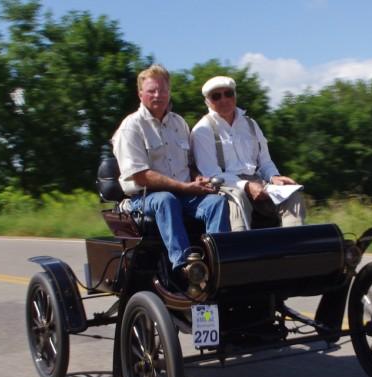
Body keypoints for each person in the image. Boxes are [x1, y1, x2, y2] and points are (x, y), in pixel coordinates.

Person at [111, 64, 230, 284]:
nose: (158, 95)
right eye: (152, 91)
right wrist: (183, 187)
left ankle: (219, 264)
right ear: (141, 94)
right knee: (166, 200)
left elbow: (190, 164)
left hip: (183, 194)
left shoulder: (179, 123)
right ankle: (185, 267)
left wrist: (196, 178)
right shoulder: (131, 127)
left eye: (163, 90)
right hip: (145, 198)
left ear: (169, 92)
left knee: (217, 203)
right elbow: (140, 176)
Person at [191, 76, 305, 231]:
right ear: (207, 102)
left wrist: (274, 177)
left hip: (257, 181)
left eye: (228, 93)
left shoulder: (250, 124)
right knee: (237, 199)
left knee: (293, 195)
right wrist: (246, 186)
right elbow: (211, 173)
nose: (224, 99)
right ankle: (243, 250)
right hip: (226, 185)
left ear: (235, 96)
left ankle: (294, 248)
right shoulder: (202, 130)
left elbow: (264, 161)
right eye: (216, 96)